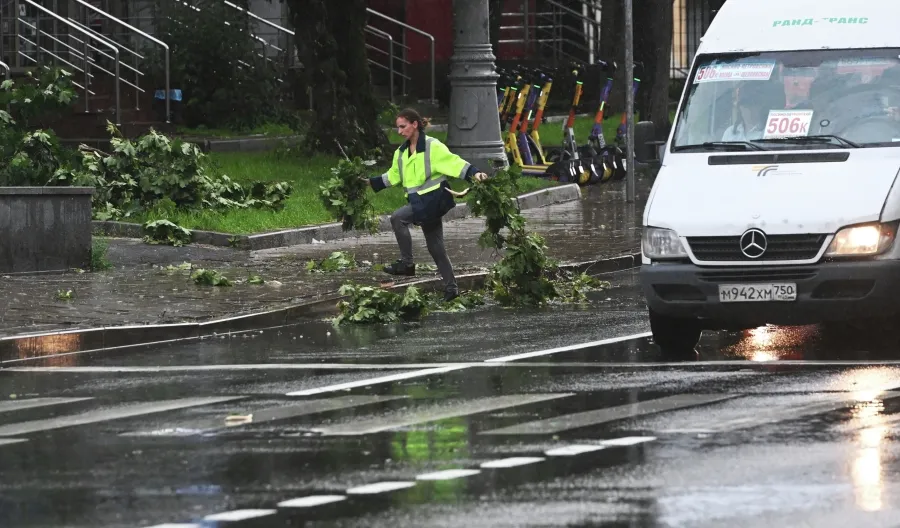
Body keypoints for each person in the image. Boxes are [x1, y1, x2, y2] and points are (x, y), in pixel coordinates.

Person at [367, 108, 488, 302]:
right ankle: (452, 289)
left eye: (403, 126)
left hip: (432, 201)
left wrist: (475, 173)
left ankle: (407, 264)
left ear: (415, 124)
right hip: (420, 203)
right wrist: (368, 182)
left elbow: (454, 163)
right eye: (398, 127)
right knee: (436, 248)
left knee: (398, 218)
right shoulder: (401, 153)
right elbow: (393, 177)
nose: (399, 131)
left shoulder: (433, 146)